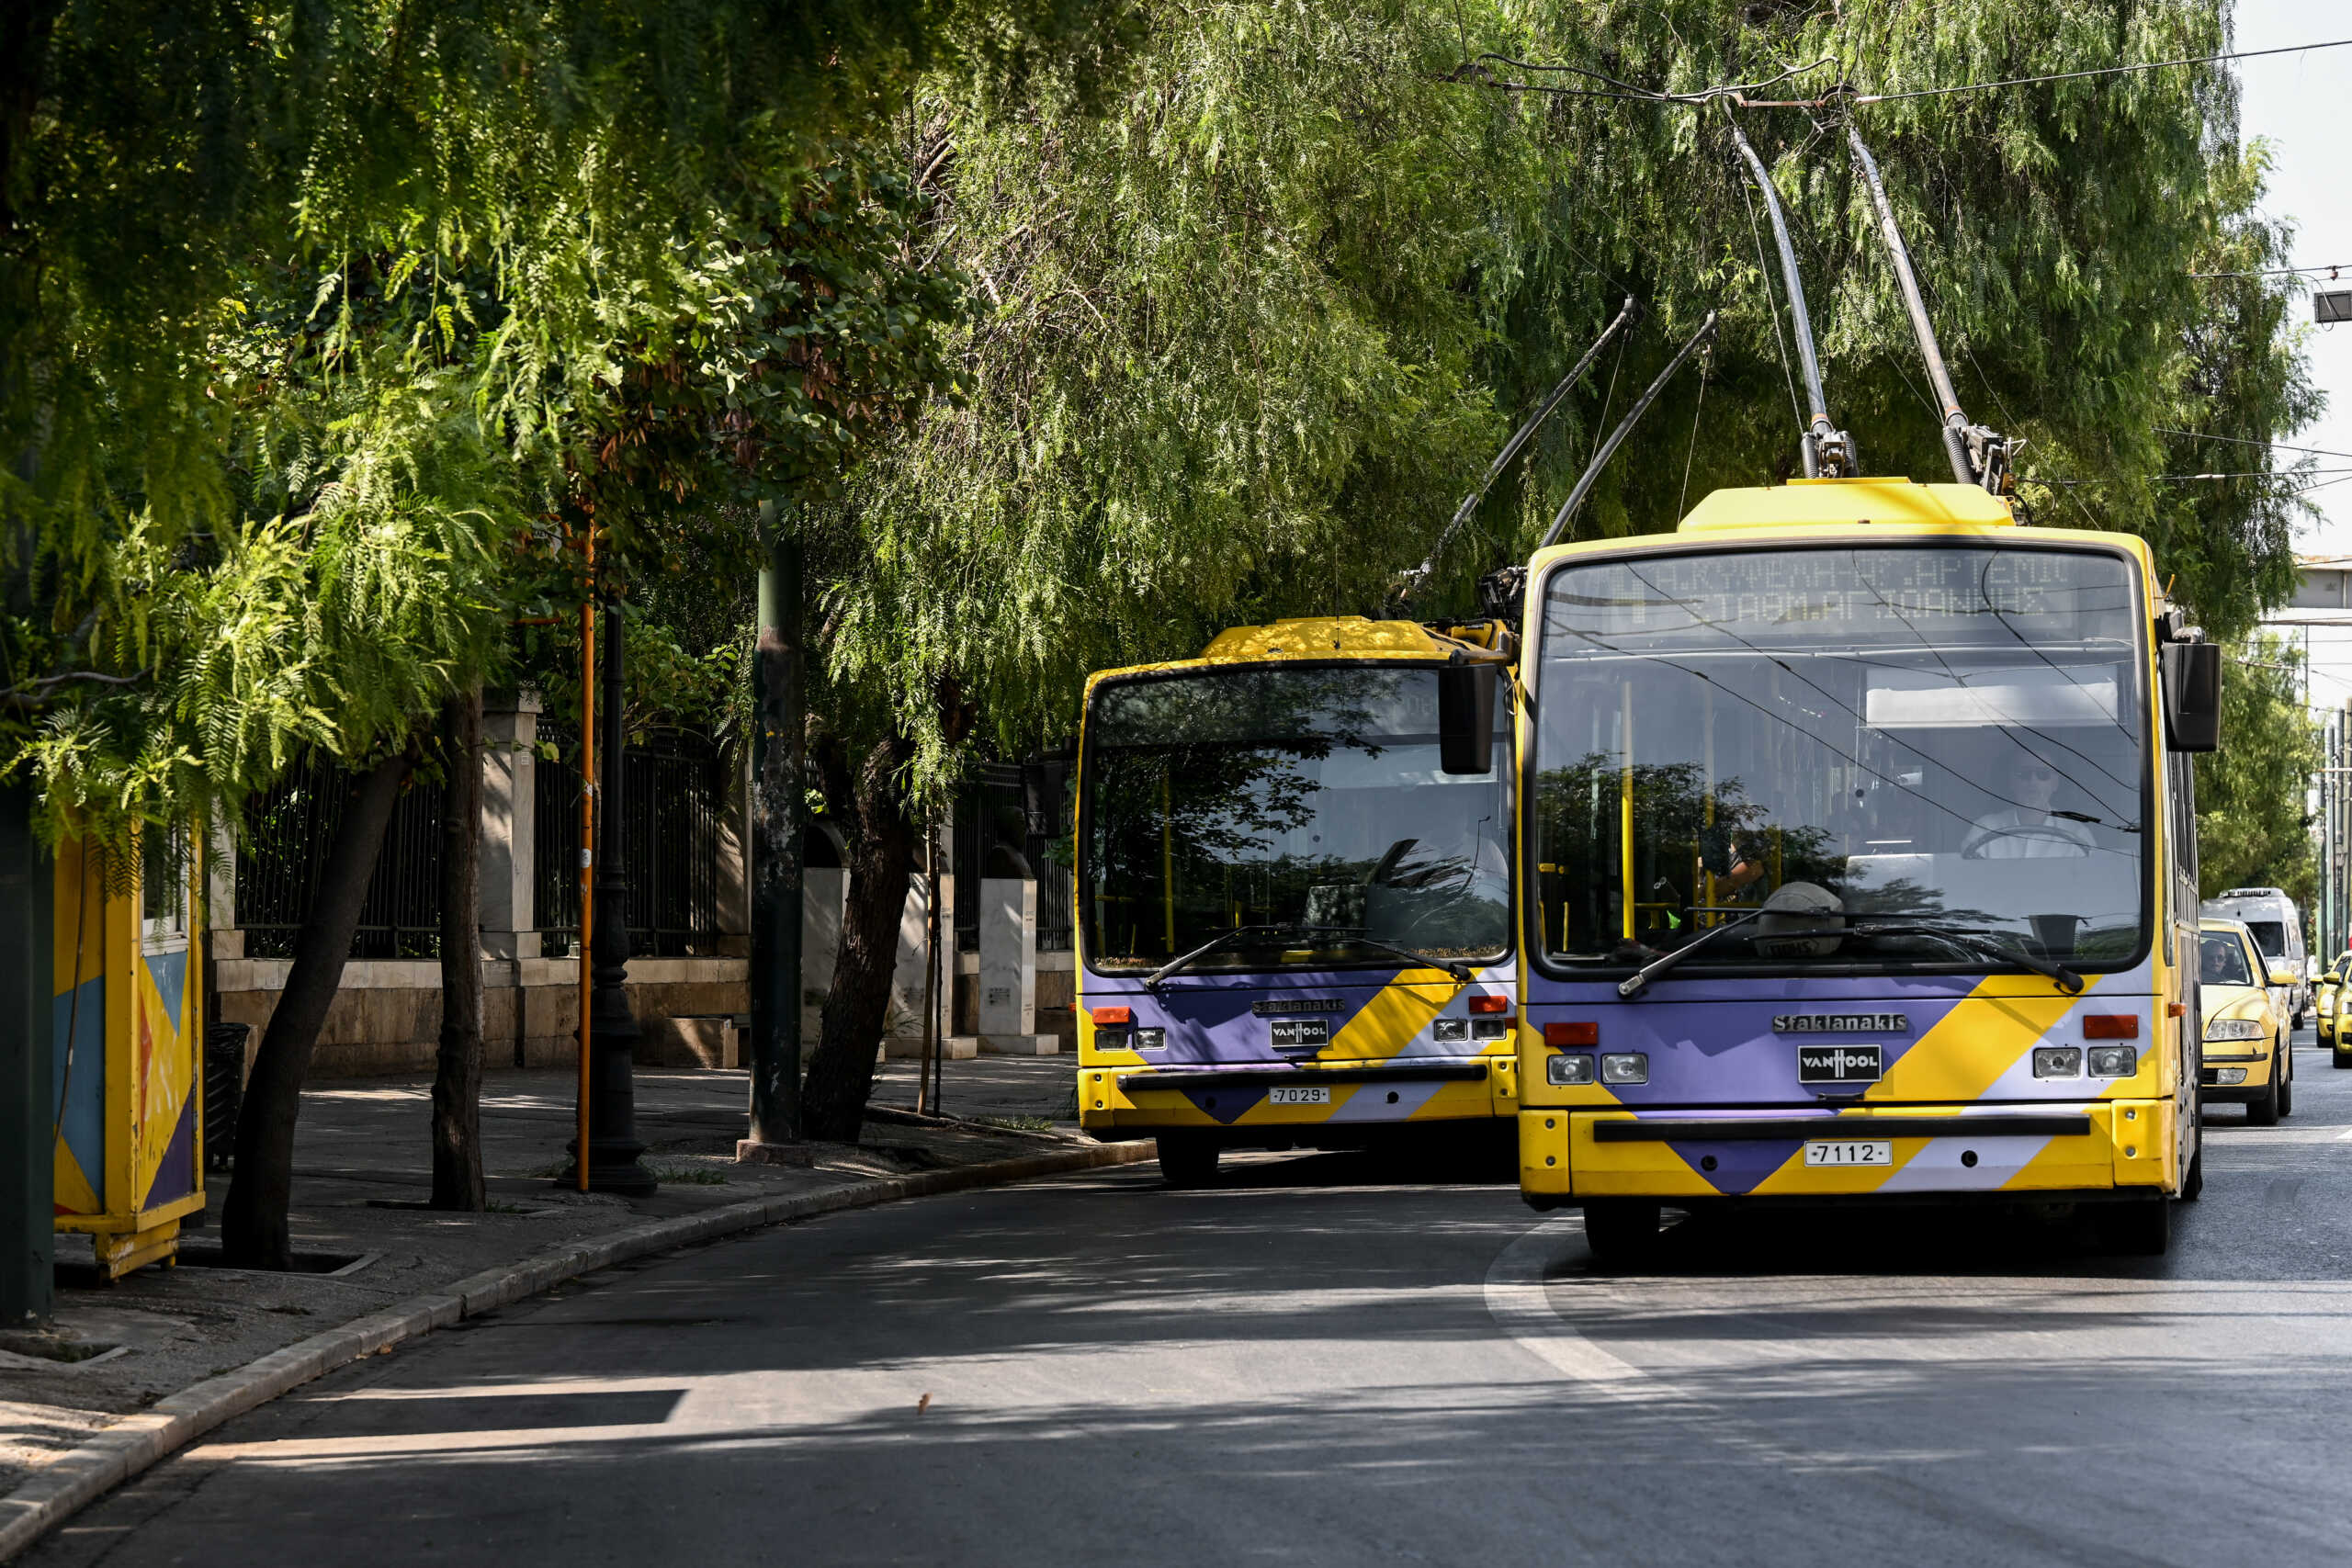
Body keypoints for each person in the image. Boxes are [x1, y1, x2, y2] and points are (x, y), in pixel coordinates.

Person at [1963, 752, 2094, 858]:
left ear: (2055, 783)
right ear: (2011, 781)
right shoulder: (1984, 828)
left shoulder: (2077, 833)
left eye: (2043, 774)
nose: (2033, 781)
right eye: (2024, 774)